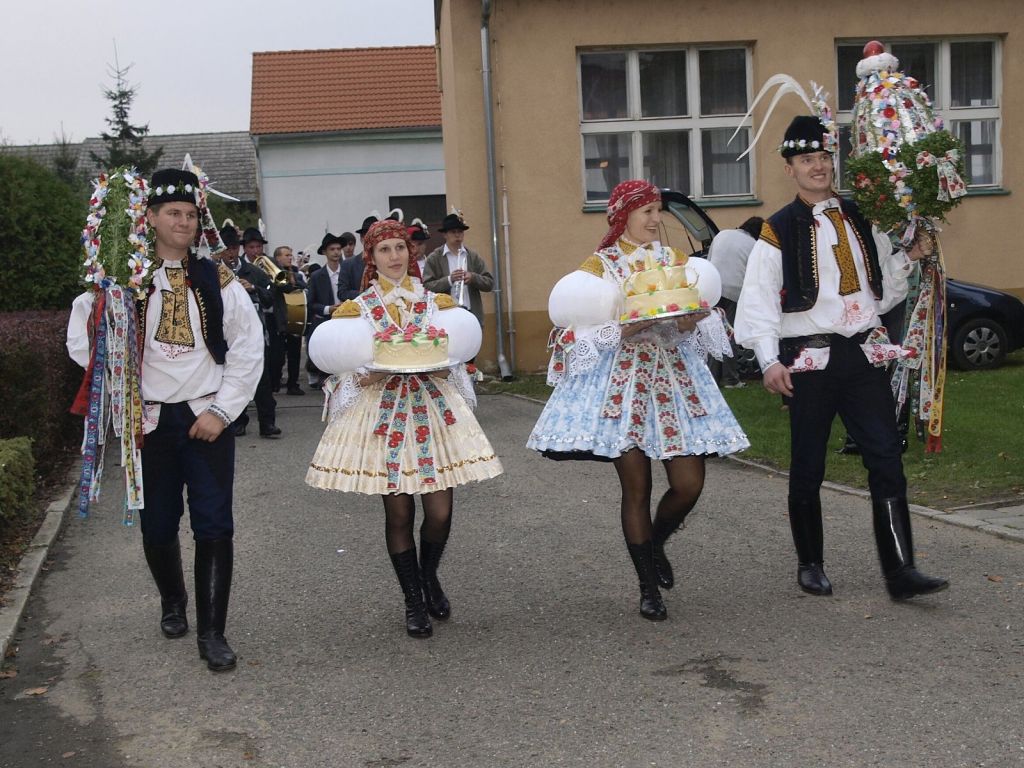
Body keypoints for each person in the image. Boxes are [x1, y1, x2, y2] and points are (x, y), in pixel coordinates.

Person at [734, 115, 948, 600]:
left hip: (861, 356)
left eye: (824, 158)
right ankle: (810, 563)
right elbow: (759, 299)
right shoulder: (777, 230)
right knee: (808, 463)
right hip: (809, 361)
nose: (818, 167)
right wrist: (768, 360)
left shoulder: (860, 216)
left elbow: (882, 290)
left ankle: (901, 571)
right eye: (807, 159)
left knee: (886, 456)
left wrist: (910, 257)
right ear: (790, 169)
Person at [66, 168, 264, 672]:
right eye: (173, 213)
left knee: (215, 524)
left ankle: (213, 634)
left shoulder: (218, 279)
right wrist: (121, 387)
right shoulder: (124, 279)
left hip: (206, 417)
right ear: (150, 217)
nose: (183, 222)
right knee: (157, 525)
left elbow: (248, 347)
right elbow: (83, 338)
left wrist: (222, 411)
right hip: (149, 422)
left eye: (191, 214)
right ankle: (173, 601)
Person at [526, 180, 749, 621]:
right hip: (622, 385)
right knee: (637, 488)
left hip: (674, 381)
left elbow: (692, 323)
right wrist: (623, 328)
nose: (654, 219)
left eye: (656, 210)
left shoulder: (675, 260)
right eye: (646, 211)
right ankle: (648, 587)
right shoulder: (599, 266)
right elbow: (576, 328)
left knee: (689, 483)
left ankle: (657, 541)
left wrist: (689, 322)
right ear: (622, 216)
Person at [306, 219, 503, 638]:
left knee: (440, 512)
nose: (394, 256)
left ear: (409, 253)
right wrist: (370, 374)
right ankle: (413, 600)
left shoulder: (437, 303)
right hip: (383, 413)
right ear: (372, 257)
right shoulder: (356, 310)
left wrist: (447, 364)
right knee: (399, 513)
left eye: (399, 248)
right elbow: (344, 369)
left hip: (432, 410)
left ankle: (428, 576)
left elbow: (454, 354)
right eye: (384, 250)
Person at [224, 226, 281, 437]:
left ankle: (267, 423)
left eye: (233, 249)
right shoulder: (215, 273)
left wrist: (254, 288)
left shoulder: (254, 271)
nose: (231, 254)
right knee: (234, 379)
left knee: (262, 379)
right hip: (229, 334)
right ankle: (238, 421)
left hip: (255, 333)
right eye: (226, 250)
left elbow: (272, 296)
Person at [707, 216, 764, 387]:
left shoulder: (722, 234)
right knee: (729, 334)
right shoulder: (754, 245)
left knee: (713, 333)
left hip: (713, 289)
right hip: (734, 292)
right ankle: (730, 379)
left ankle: (711, 377)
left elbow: (709, 262)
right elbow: (755, 274)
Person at [422, 213, 494, 328]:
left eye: (460, 231)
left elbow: (489, 283)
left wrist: (473, 277)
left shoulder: (473, 256)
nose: (457, 235)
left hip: (471, 314)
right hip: (446, 316)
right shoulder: (434, 258)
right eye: (453, 232)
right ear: (445, 234)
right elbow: (426, 287)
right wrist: (449, 280)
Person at [305, 233, 346, 388]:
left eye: (338, 249)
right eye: (332, 249)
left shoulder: (346, 271)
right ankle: (326, 382)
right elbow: (311, 303)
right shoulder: (317, 276)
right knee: (328, 354)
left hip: (346, 319)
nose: (336, 252)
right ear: (325, 252)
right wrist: (329, 309)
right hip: (327, 321)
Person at [269, 245, 307, 396]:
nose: (290, 257)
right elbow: (282, 287)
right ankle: (275, 381)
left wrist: (293, 279)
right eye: (286, 255)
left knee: (294, 353)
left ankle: (293, 384)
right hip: (279, 318)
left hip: (295, 315)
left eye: (290, 255)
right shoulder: (273, 272)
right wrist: (289, 280)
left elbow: (303, 286)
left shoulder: (296, 274)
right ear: (277, 258)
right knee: (277, 354)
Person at [338, 216, 377, 301]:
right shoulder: (348, 264)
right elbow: (342, 293)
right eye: (368, 236)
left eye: (375, 236)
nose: (371, 240)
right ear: (362, 239)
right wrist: (366, 295)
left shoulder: (386, 262)